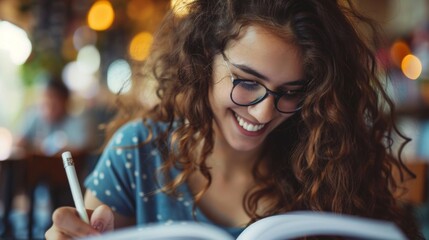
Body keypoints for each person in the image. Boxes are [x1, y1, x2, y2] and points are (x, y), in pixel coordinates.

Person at [46, 0, 423, 239]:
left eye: (291, 91)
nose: (264, 112)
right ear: (203, 61)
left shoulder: (326, 163)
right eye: (246, 82)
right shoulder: (139, 153)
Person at [5, 77, 91, 239]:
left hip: (65, 180)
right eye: (45, 98)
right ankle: (7, 224)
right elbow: (20, 140)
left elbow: (80, 148)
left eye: (53, 98)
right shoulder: (36, 117)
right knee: (12, 168)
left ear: (65, 100)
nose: (48, 103)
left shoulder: (77, 121)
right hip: (36, 175)